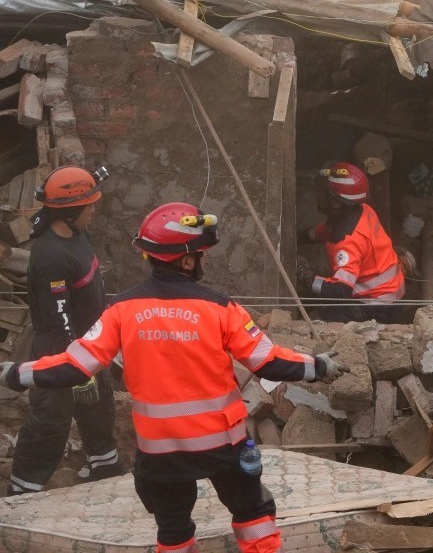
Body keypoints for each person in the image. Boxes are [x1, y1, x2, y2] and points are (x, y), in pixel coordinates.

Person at [1, 202, 350, 553]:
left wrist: (17, 373)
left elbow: (74, 366)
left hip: (160, 452)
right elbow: (268, 363)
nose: (205, 260)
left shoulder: (121, 310)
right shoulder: (220, 308)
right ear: (186, 260)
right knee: (254, 513)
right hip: (222, 446)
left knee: (173, 530)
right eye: (201, 254)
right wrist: (317, 366)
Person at [7, 166, 121, 496]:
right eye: (90, 206)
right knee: (50, 421)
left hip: (89, 346)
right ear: (70, 212)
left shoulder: (76, 235)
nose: (94, 210)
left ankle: (105, 467)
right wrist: (77, 370)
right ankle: (23, 489)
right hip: (60, 352)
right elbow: (59, 322)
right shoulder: (51, 257)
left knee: (99, 409)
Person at [297, 162, 411, 321]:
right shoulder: (362, 209)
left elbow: (340, 290)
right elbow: (331, 228)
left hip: (378, 308)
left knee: (313, 321)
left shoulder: (349, 243)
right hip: (390, 296)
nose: (320, 197)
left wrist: (306, 277)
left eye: (325, 194)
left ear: (336, 202)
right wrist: (306, 235)